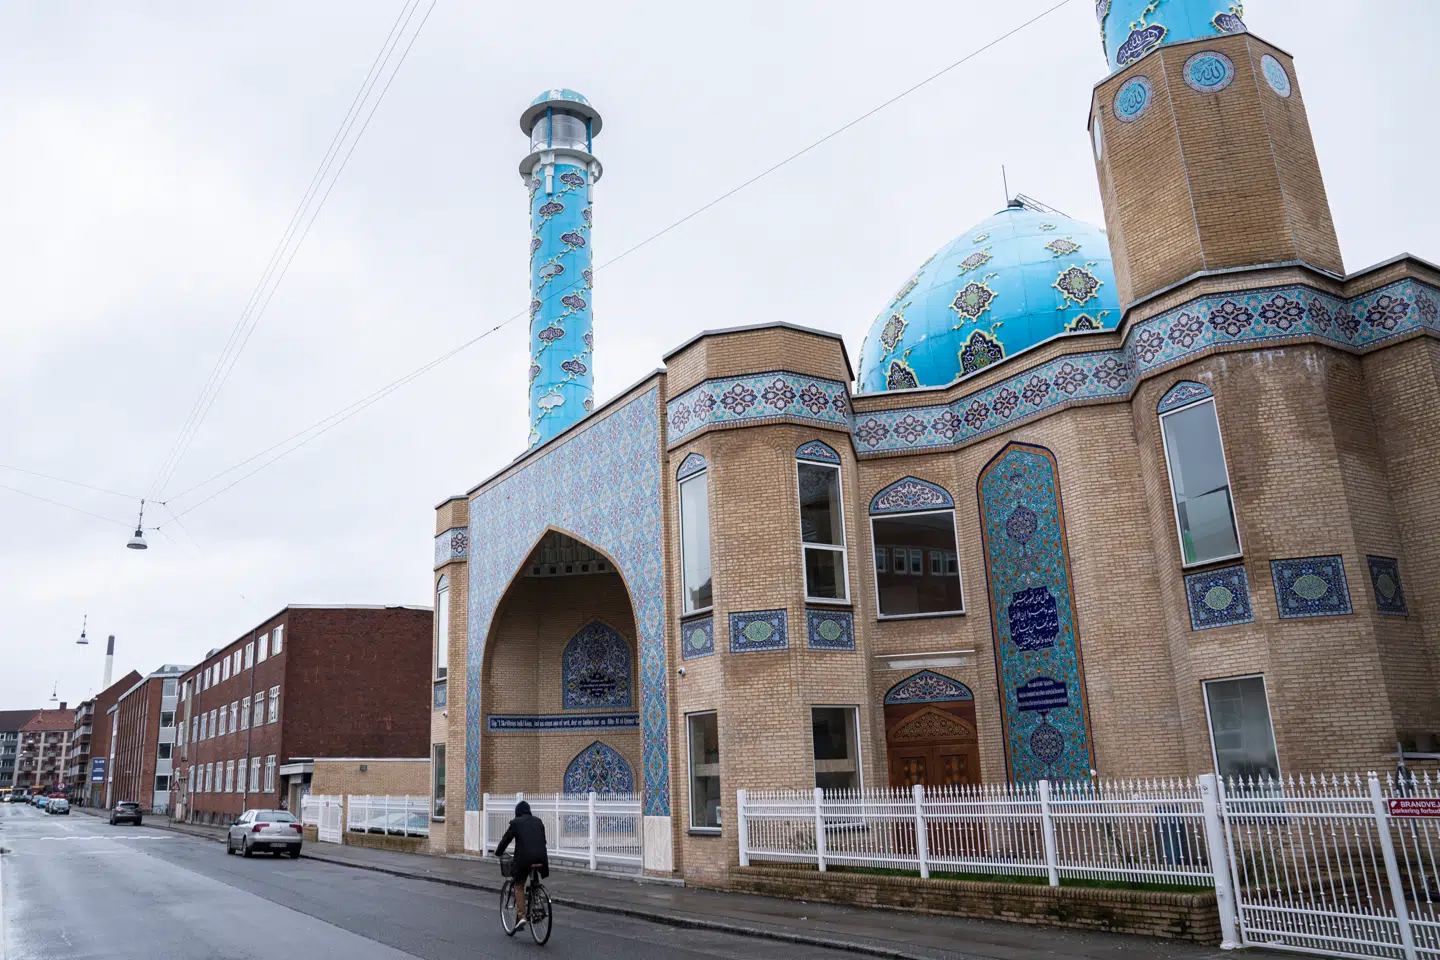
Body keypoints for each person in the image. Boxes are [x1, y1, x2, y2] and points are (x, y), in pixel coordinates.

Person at [494, 800, 548, 929]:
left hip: (524, 859)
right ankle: (537, 902)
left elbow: (505, 839)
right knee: (535, 880)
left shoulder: (515, 823)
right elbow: (543, 840)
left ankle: (522, 916)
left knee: (519, 884)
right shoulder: (538, 821)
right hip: (541, 858)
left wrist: (498, 852)